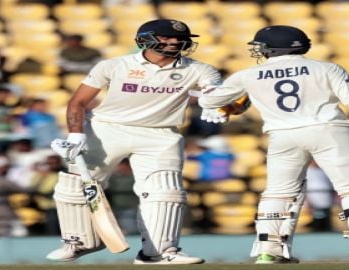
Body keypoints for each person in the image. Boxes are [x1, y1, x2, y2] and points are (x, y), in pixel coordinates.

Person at [199, 25, 349, 263]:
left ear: (271, 48)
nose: (258, 51)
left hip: (282, 136)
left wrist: (236, 105)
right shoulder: (326, 68)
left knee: (279, 192)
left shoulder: (248, 75)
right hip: (329, 130)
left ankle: (270, 251)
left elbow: (209, 99)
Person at [47, 19, 223, 264]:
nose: (175, 42)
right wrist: (76, 133)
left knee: (166, 191)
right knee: (75, 185)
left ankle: (159, 252)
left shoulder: (200, 69)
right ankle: (78, 241)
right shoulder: (114, 66)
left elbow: (215, 92)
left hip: (160, 134)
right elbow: (78, 101)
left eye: (179, 39)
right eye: (166, 38)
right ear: (145, 39)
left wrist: (219, 104)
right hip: (107, 129)